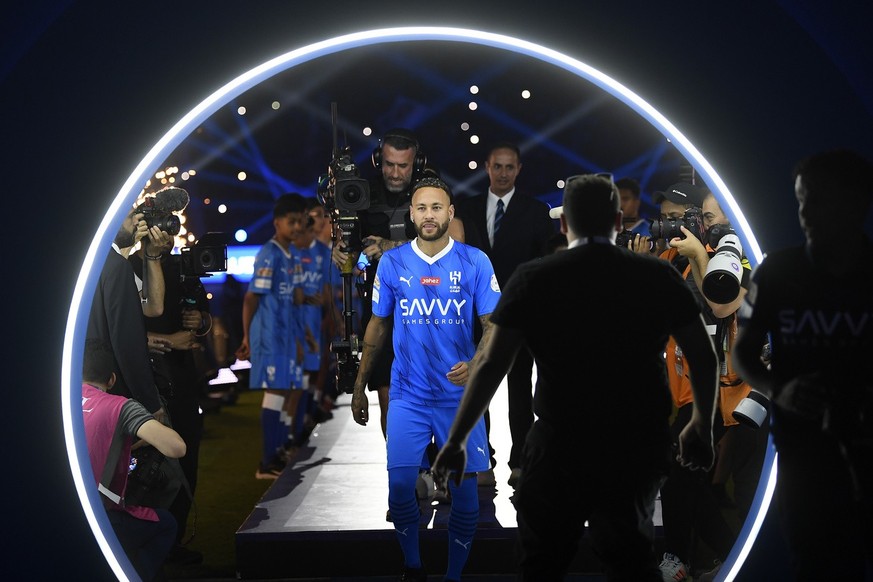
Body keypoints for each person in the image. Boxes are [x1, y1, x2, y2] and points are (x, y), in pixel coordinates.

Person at [433, 173, 720, 581]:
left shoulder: (534, 277)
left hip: (559, 445)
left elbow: (492, 364)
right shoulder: (657, 277)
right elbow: (703, 357)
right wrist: (700, 427)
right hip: (632, 445)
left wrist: (458, 439)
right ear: (619, 221)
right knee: (630, 562)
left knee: (542, 564)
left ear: (564, 224)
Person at [349, 175, 500, 582]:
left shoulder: (474, 262)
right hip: (407, 395)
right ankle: (413, 567)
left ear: (450, 213)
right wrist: (360, 386)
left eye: (437, 208)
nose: (429, 215)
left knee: (466, 496)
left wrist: (476, 360)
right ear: (411, 214)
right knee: (400, 487)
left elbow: (493, 326)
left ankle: (454, 575)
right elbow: (377, 327)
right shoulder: (393, 264)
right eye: (422, 208)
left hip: (459, 398)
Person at [733, 148, 873, 581]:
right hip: (802, 454)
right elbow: (743, 350)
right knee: (812, 564)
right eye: (800, 199)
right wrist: (780, 390)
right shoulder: (778, 271)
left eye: (817, 199)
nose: (805, 212)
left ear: (855, 202)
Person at [454, 141, 555, 488]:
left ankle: (521, 460)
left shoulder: (537, 211)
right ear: (487, 167)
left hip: (521, 317)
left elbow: (546, 266)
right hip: (471, 317)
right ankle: (483, 459)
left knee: (519, 393)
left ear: (519, 169)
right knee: (476, 388)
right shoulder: (464, 210)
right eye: (497, 166)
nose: (502, 173)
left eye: (509, 167)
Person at [654, 183, 738, 581]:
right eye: (666, 216)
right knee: (693, 488)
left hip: (712, 395)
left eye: (681, 217)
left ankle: (675, 560)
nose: (672, 224)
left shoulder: (727, 259)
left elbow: (718, 306)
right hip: (686, 394)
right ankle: (727, 554)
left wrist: (697, 256)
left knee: (679, 482)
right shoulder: (677, 258)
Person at [130, 241, 212, 565]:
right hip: (142, 380)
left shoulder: (183, 266)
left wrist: (200, 321)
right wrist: (168, 341)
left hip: (183, 379)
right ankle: (147, 539)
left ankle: (171, 541)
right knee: (149, 465)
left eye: (169, 225)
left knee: (187, 458)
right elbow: (121, 328)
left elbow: (204, 323)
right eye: (158, 224)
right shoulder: (125, 267)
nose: (165, 233)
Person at [82, 337, 187, 582]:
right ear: (112, 380)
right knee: (166, 524)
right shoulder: (120, 407)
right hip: (97, 518)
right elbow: (176, 447)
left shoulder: (58, 400)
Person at [235, 192, 307, 479]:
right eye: (292, 222)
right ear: (277, 222)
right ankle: (266, 463)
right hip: (269, 336)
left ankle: (279, 451)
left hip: (286, 337)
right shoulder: (269, 253)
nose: (298, 227)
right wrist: (247, 337)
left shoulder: (290, 253)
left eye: (301, 222)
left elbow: (295, 299)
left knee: (285, 392)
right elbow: (251, 298)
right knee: (275, 393)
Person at [87, 203, 174, 422]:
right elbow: (128, 342)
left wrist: (151, 255)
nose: (138, 221)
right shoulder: (116, 267)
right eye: (130, 216)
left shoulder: (97, 262)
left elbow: (153, 307)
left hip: (88, 388)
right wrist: (150, 403)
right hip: (111, 387)